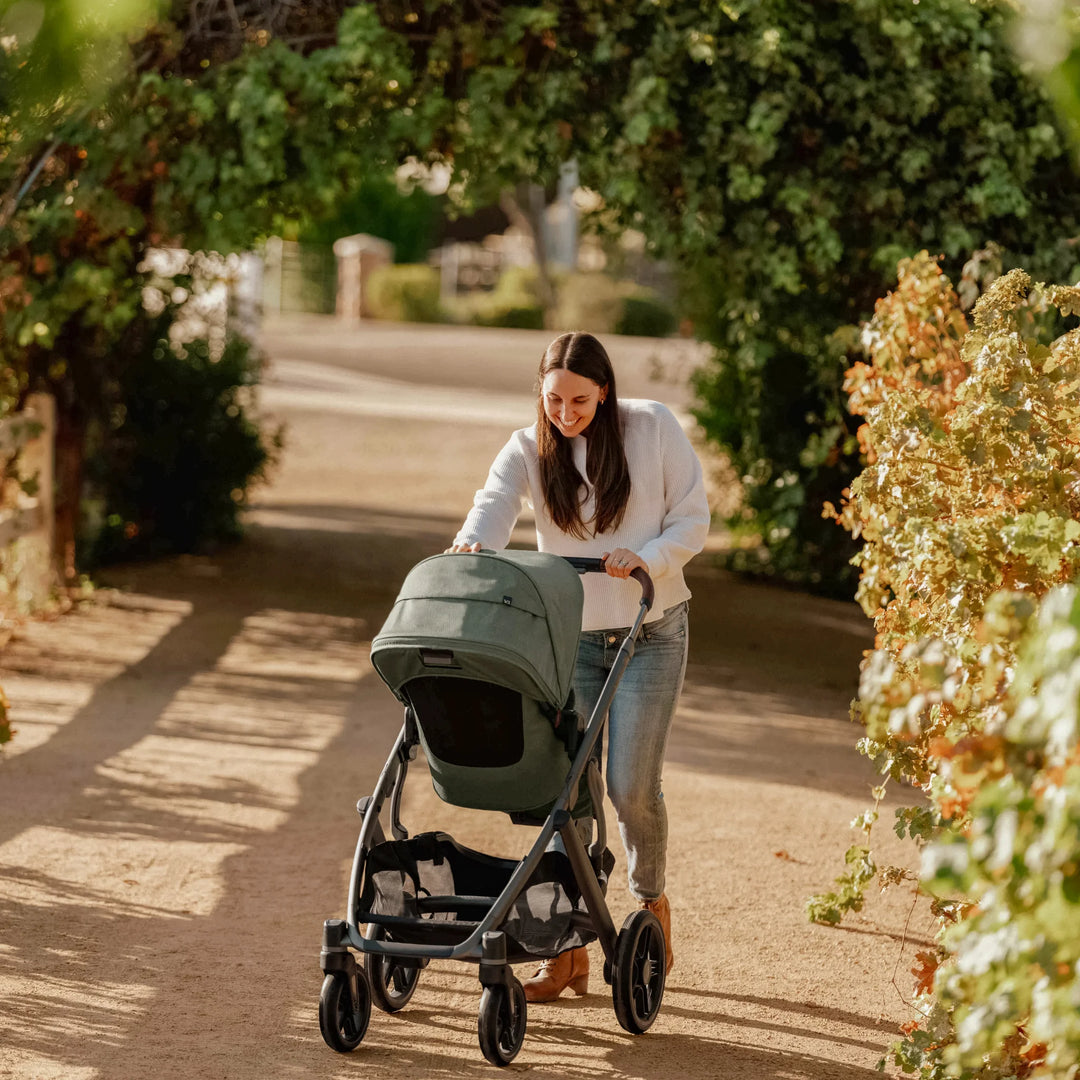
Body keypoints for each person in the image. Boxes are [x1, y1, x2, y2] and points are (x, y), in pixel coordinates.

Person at [447, 330, 710, 1002]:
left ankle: (649, 905)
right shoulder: (529, 448)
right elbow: (494, 503)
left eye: (579, 401)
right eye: (554, 400)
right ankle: (567, 950)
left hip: (650, 634)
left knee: (627, 787)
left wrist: (646, 557)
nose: (565, 413)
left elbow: (692, 518)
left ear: (604, 391)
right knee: (566, 794)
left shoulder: (651, 429)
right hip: (572, 640)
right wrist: (476, 540)